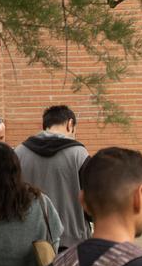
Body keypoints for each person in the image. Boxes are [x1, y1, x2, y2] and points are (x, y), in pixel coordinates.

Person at [16, 105, 89, 249]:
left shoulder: (19, 153)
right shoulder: (79, 154)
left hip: (30, 242)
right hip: (72, 242)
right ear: (70, 124)